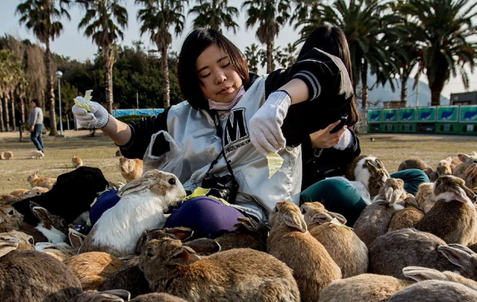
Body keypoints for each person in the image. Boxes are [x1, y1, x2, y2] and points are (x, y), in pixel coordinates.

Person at [72, 27, 353, 238]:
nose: (220, 77)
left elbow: (333, 71)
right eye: (205, 73)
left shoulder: (266, 91)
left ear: (237, 60)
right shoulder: (181, 114)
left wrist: (282, 99)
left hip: (256, 214)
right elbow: (134, 139)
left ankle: (146, 228)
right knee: (107, 202)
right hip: (185, 201)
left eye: (225, 64)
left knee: (200, 214)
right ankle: (153, 225)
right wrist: (104, 119)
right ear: (194, 82)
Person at [293, 26, 430, 224]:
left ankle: (379, 206)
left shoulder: (341, 100)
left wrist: (347, 140)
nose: (327, 74)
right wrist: (310, 144)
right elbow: (277, 159)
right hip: (313, 189)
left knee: (416, 176)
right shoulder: (290, 101)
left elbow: (352, 156)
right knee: (335, 188)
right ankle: (379, 214)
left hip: (351, 184)